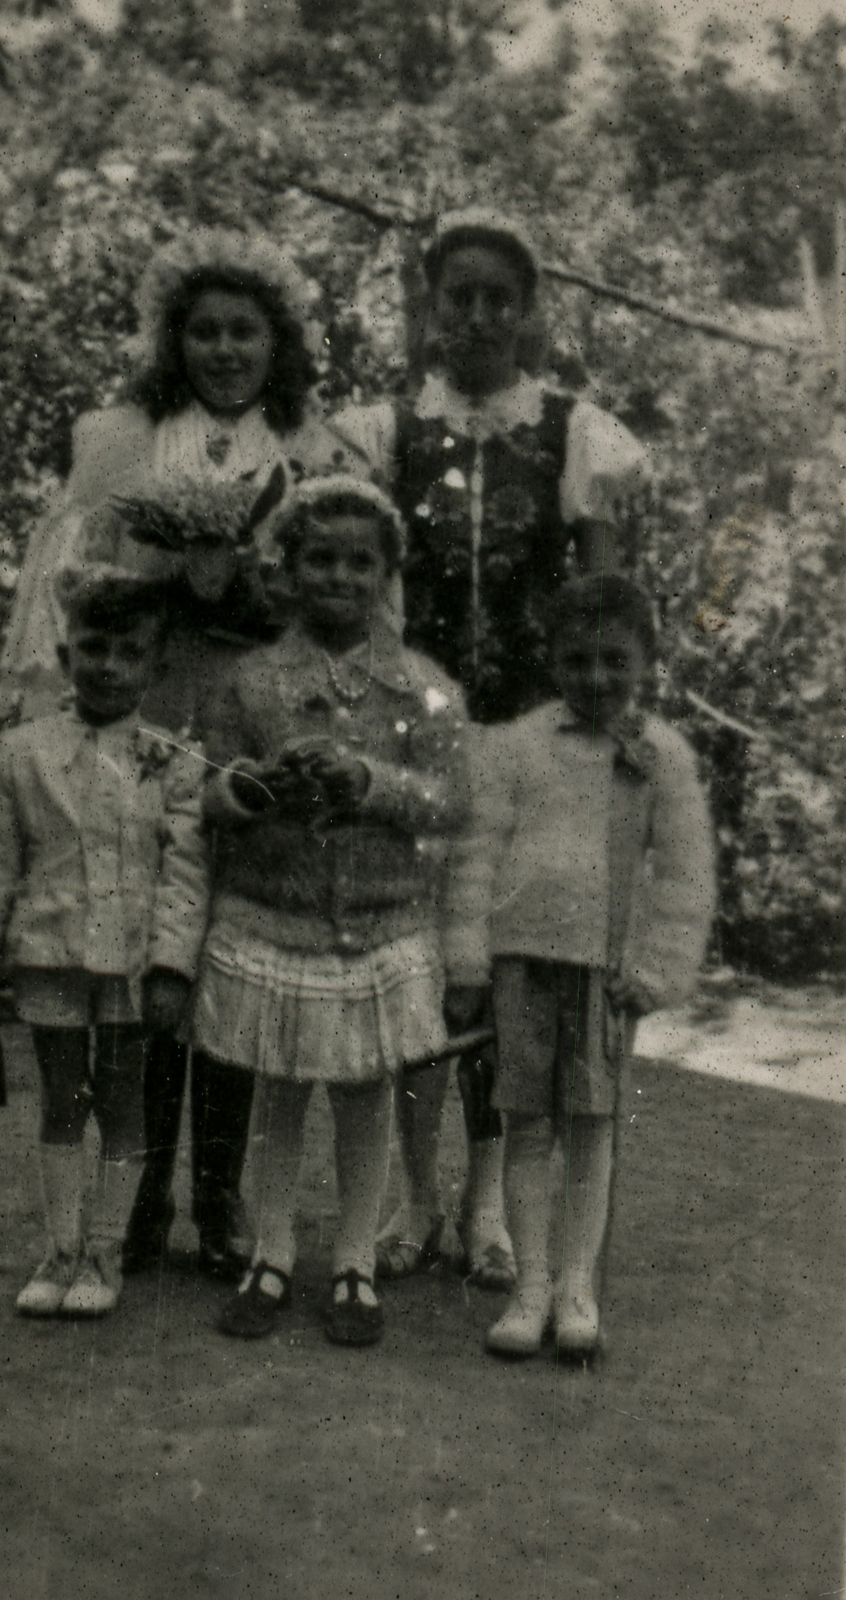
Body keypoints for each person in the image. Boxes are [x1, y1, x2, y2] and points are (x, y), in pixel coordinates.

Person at [0, 227, 363, 1281]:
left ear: (277, 341)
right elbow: (80, 592)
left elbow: (337, 597)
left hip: (256, 717)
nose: (224, 349)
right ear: (174, 339)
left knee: (236, 943)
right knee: (149, 945)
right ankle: (144, 1189)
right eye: (203, 331)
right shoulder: (124, 441)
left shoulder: (314, 449)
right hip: (150, 715)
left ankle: (221, 1196)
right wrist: (167, 582)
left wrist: (251, 589)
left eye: (245, 330)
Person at [333, 208, 651, 1289]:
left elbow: (601, 602)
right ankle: (413, 1197)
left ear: (526, 312)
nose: (475, 316)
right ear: (431, 308)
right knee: (414, 962)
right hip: (413, 735)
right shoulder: (382, 431)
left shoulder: (573, 433)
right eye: (457, 297)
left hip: (526, 742)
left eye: (496, 299)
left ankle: (485, 1203)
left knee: (507, 970)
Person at [191, 477, 477, 1346]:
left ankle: (355, 1259)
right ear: (287, 568)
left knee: (363, 1092)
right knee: (278, 1089)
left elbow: (451, 801)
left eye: (361, 563)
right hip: (274, 917)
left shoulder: (423, 689)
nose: (340, 578)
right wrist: (252, 788)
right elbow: (205, 788)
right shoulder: (250, 683)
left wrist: (371, 782)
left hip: (379, 925)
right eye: (320, 559)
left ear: (387, 574)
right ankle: (271, 1251)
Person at [448, 575, 715, 1356]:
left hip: (605, 971)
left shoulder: (660, 754)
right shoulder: (520, 744)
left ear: (646, 661)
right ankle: (529, 1289)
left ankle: (576, 1290)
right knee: (527, 1126)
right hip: (523, 964)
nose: (595, 677)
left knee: (593, 1130)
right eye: (577, 660)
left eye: (614, 660)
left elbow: (685, 871)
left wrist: (658, 969)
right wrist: (467, 963)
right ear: (553, 660)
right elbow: (477, 855)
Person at [0, 566, 209, 1318]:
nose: (108, 665)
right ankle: (60, 1249)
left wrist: (171, 966)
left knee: (124, 1099)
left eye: (129, 652)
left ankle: (105, 1252)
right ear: (66, 656)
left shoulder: (172, 759)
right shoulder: (22, 752)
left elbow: (184, 873)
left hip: (130, 960)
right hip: (51, 950)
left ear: (154, 666)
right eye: (93, 647)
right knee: (63, 1097)